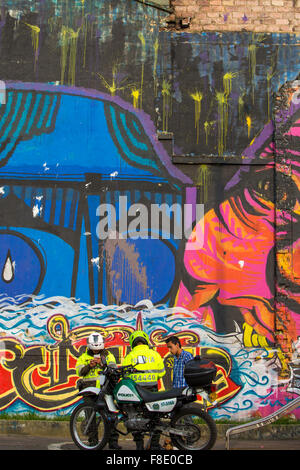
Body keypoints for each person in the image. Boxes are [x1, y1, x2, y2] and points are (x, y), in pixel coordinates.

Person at [76, 331, 121, 450]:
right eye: (94, 350)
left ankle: (113, 443)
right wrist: (89, 366)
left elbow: (113, 368)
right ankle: (93, 442)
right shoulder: (83, 357)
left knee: (111, 417)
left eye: (98, 350)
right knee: (90, 418)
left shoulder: (108, 355)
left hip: (106, 390)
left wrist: (102, 364)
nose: (96, 352)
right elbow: (79, 372)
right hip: (89, 391)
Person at [122, 330, 165, 450]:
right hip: (152, 391)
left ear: (133, 343)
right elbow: (162, 372)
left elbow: (124, 375)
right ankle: (155, 445)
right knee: (155, 418)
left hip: (137, 393)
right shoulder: (154, 354)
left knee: (134, 418)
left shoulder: (130, 356)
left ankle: (139, 445)